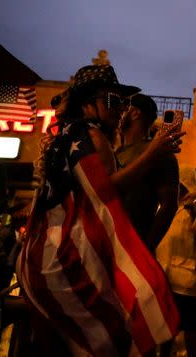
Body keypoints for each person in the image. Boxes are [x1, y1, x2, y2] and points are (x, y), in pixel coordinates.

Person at [16, 64, 183, 355]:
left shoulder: (67, 135)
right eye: (112, 101)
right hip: (71, 260)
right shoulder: (91, 137)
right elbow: (108, 191)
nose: (120, 109)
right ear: (88, 103)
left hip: (41, 258)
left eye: (123, 102)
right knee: (141, 309)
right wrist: (155, 150)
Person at [156, 167, 196, 357]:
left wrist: (194, 215)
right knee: (167, 325)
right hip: (166, 277)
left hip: (188, 280)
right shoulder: (168, 205)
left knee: (189, 324)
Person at [117, 93, 180, 251]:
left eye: (125, 107)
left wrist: (145, 248)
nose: (119, 110)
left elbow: (169, 205)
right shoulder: (114, 152)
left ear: (135, 113)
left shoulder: (159, 152)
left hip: (133, 248)